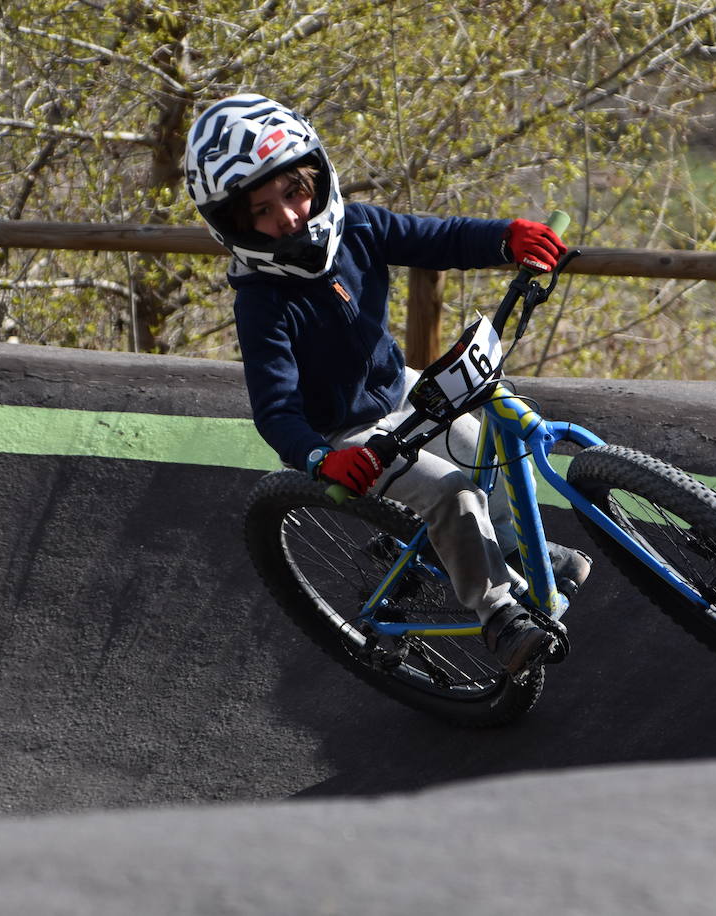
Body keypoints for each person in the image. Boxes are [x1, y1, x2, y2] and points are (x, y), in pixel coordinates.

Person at [184, 94, 589, 673]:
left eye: (294, 193)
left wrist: (507, 238)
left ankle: (514, 546)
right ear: (236, 226)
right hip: (347, 434)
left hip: (400, 388)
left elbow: (438, 239)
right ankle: (497, 613)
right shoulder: (260, 302)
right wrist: (321, 459)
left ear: (317, 180)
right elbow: (274, 410)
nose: (290, 217)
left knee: (487, 450)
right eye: (263, 211)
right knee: (452, 492)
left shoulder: (361, 226)